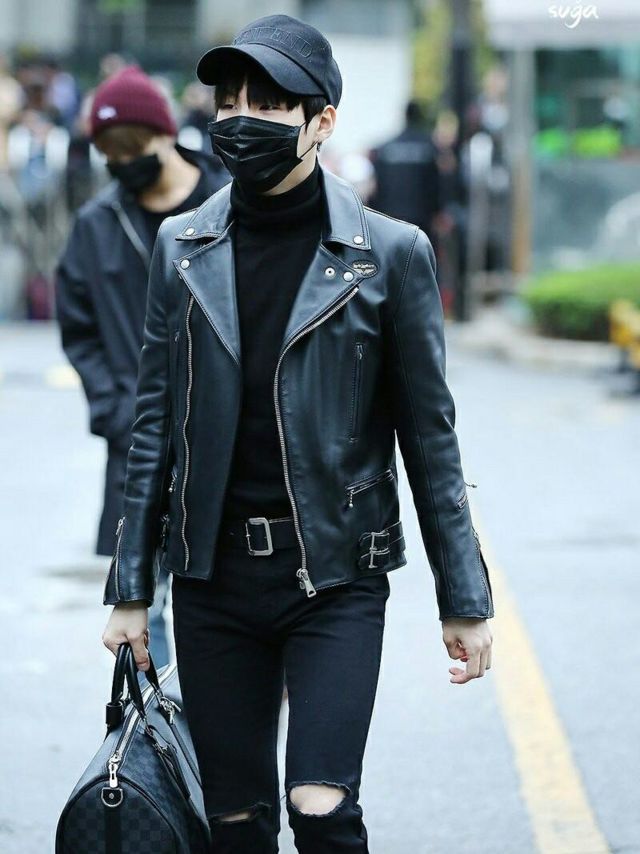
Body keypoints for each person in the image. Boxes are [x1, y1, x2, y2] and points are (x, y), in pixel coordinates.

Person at [101, 14, 495, 853]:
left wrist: (464, 600)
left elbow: (431, 441)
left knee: (321, 806)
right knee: (236, 819)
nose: (241, 119)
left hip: (336, 576)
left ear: (322, 121)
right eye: (229, 101)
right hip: (212, 580)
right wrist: (131, 587)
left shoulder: (390, 255)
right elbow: (152, 426)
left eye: (270, 104)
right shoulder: (182, 246)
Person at [55, 66, 228, 669]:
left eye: (132, 146)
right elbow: (78, 331)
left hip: (231, 444)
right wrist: (112, 410)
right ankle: (163, 726)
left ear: (164, 131)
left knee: (229, 606)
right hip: (138, 445)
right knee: (141, 614)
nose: (123, 162)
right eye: (110, 153)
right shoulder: (97, 226)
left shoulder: (230, 202)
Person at [369, 99, 442, 263]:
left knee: (393, 260)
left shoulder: (386, 148)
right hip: (422, 217)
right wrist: (438, 210)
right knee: (422, 260)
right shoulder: (430, 148)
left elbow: (377, 186)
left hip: (390, 215)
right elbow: (435, 185)